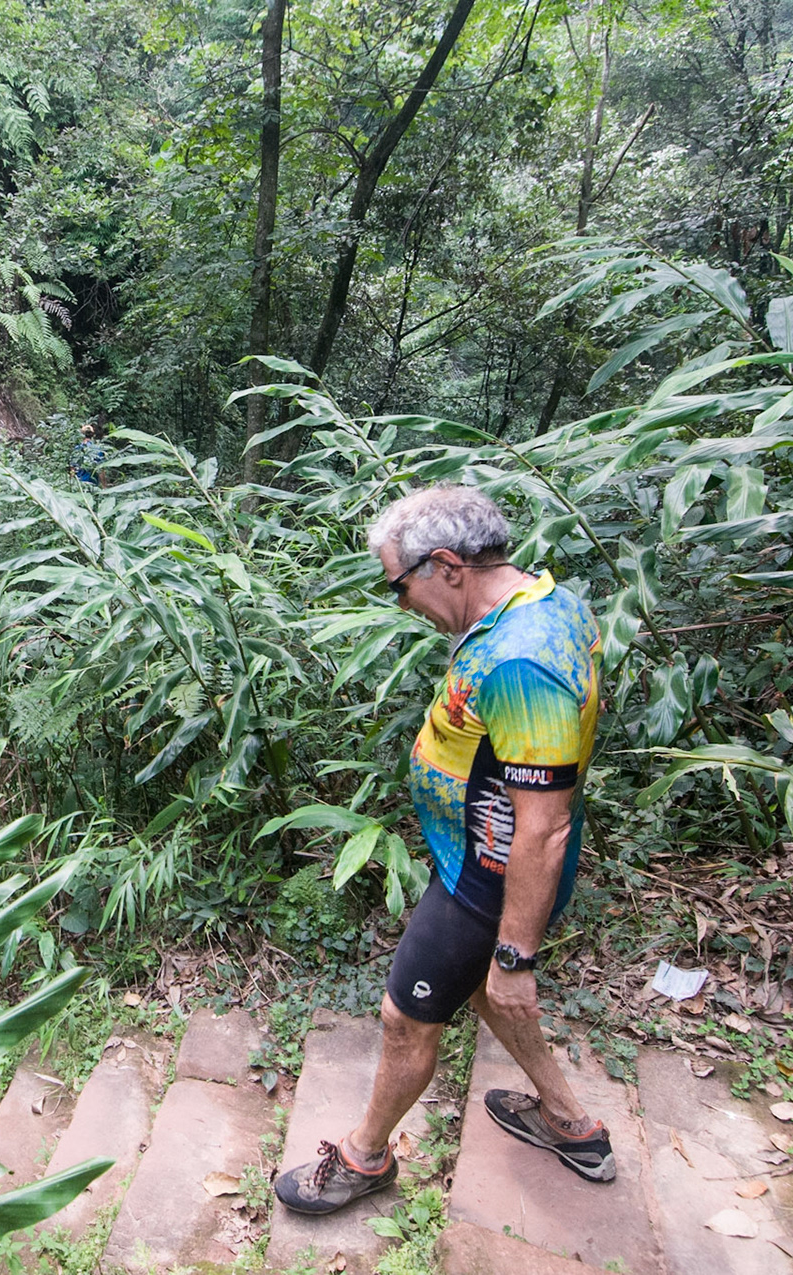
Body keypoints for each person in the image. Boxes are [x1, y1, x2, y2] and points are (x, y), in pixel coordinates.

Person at [275, 483, 610, 1216]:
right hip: (480, 854)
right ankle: (571, 1124)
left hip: (487, 880)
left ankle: (364, 1158)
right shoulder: (546, 603)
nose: (401, 604)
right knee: (484, 993)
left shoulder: (521, 662)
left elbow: (543, 826)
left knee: (406, 1017)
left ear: (449, 566)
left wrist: (517, 955)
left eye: (401, 584)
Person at [73, 421, 108, 488]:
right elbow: (101, 470)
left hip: (79, 484)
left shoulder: (77, 449)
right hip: (93, 483)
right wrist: (104, 486)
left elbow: (73, 468)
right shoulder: (98, 449)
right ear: (93, 435)